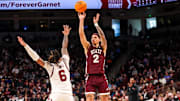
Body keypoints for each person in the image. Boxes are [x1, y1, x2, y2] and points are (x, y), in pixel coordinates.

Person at [17, 25, 74, 101]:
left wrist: (25, 45)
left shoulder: (50, 66)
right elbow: (64, 47)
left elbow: (36, 58)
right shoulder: (65, 61)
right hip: (69, 96)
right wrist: (66, 35)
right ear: (60, 58)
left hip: (56, 95)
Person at [78, 12, 109, 101]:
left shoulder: (103, 48)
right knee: (89, 99)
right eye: (92, 37)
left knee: (105, 99)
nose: (93, 39)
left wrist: (96, 25)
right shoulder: (88, 48)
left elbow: (103, 36)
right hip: (90, 77)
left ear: (99, 39)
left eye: (95, 37)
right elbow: (81, 35)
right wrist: (81, 20)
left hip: (101, 76)